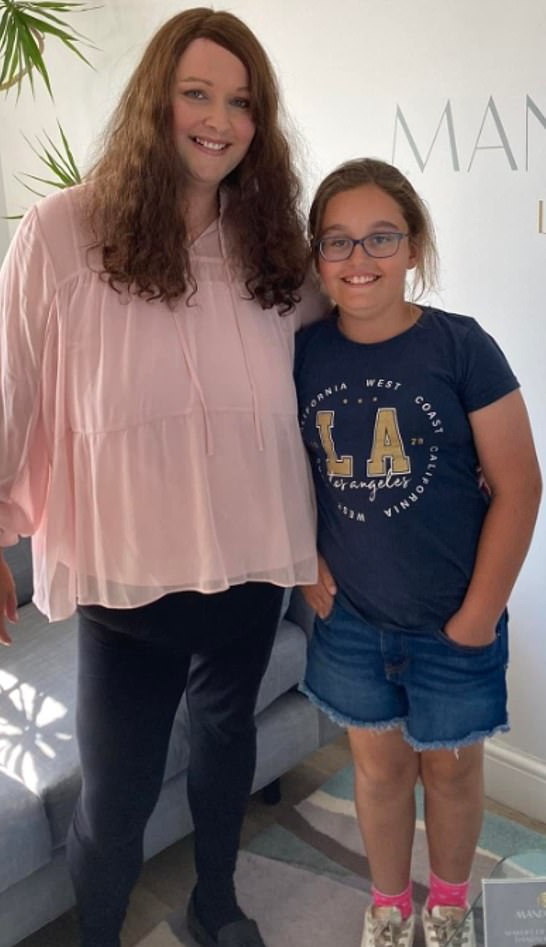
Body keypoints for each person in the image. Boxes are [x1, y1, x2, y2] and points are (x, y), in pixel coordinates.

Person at [0, 9, 326, 947]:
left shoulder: (274, 245)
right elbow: (8, 383)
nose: (219, 119)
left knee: (227, 747)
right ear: (157, 100)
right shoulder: (65, 231)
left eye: (241, 102)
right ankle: (100, 933)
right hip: (129, 572)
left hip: (251, 559)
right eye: (197, 92)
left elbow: (351, 347)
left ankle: (213, 902)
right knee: (117, 792)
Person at [295, 157, 542, 947]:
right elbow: (272, 473)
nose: (358, 259)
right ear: (317, 256)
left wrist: (478, 615)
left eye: (380, 238)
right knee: (379, 771)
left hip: (454, 621)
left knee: (452, 770)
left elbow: (520, 485)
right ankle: (391, 904)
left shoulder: (461, 347)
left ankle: (448, 901)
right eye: (337, 241)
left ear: (413, 247)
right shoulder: (300, 356)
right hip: (353, 623)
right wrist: (305, 559)